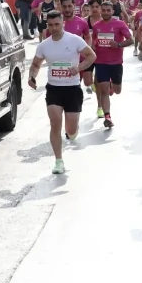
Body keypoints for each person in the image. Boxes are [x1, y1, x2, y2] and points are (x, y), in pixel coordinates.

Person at [28, 11, 97, 175]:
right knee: (55, 122)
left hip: (72, 89)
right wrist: (32, 76)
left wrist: (78, 68)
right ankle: (58, 161)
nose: (54, 28)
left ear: (63, 24)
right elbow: (36, 64)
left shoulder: (74, 40)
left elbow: (91, 56)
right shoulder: (44, 45)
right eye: (50, 25)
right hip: (54, 89)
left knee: (71, 129)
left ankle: (73, 131)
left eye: (57, 24)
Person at [91, 0, 134, 127]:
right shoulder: (96, 26)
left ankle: (111, 84)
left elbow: (131, 40)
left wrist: (119, 45)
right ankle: (107, 117)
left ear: (112, 11)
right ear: (100, 11)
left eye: (108, 10)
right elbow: (94, 41)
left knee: (117, 90)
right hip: (101, 62)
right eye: (103, 10)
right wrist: (94, 47)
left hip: (116, 62)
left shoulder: (120, 24)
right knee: (103, 91)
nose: (105, 12)